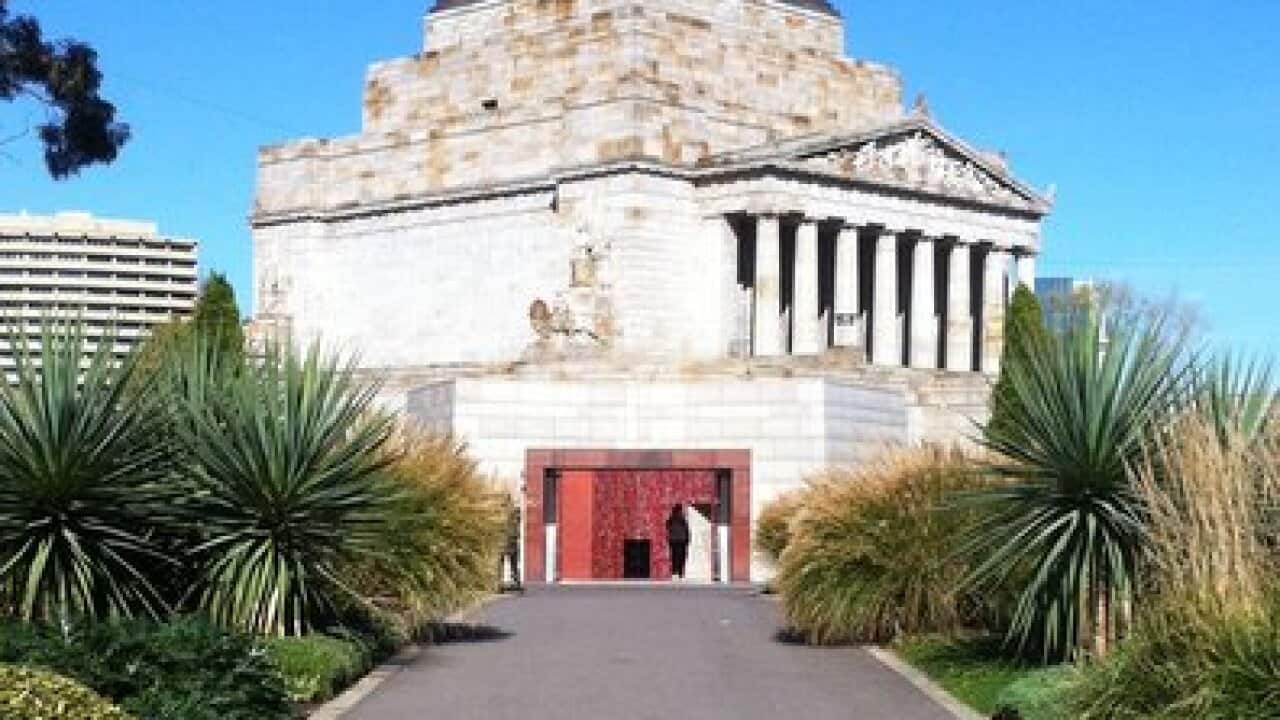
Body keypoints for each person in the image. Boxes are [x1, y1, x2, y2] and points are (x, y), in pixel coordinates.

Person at [666, 504, 690, 580]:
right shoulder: (682, 518)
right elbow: (686, 529)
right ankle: (680, 573)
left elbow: (667, 527)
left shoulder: (671, 518)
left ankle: (675, 572)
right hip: (681, 540)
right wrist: (687, 540)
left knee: (674, 556)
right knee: (681, 557)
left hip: (674, 540)